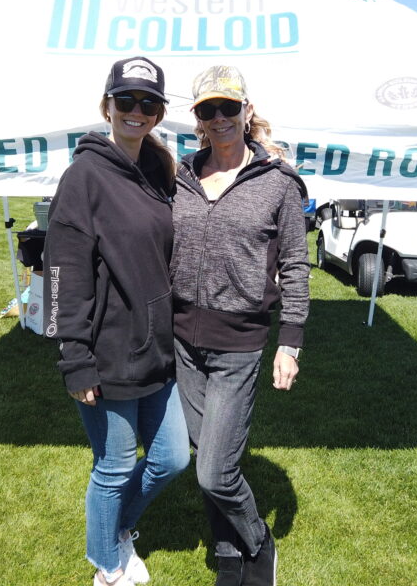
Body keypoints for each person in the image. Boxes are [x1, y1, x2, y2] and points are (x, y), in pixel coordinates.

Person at [43, 57, 190, 586]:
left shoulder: (158, 172)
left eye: (148, 103)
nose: (136, 111)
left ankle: (114, 529)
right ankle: (107, 566)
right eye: (125, 100)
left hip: (156, 350)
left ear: (159, 113)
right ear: (106, 106)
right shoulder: (83, 177)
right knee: (115, 465)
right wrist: (75, 358)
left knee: (172, 458)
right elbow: (63, 273)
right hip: (106, 355)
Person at [171, 65, 309, 586]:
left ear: (246, 110)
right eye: (208, 109)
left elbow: (295, 264)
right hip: (182, 342)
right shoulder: (180, 176)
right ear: (198, 118)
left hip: (239, 344)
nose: (219, 118)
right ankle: (227, 552)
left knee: (215, 470)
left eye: (228, 107)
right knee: (203, 454)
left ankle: (258, 542)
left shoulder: (277, 182)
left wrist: (290, 342)